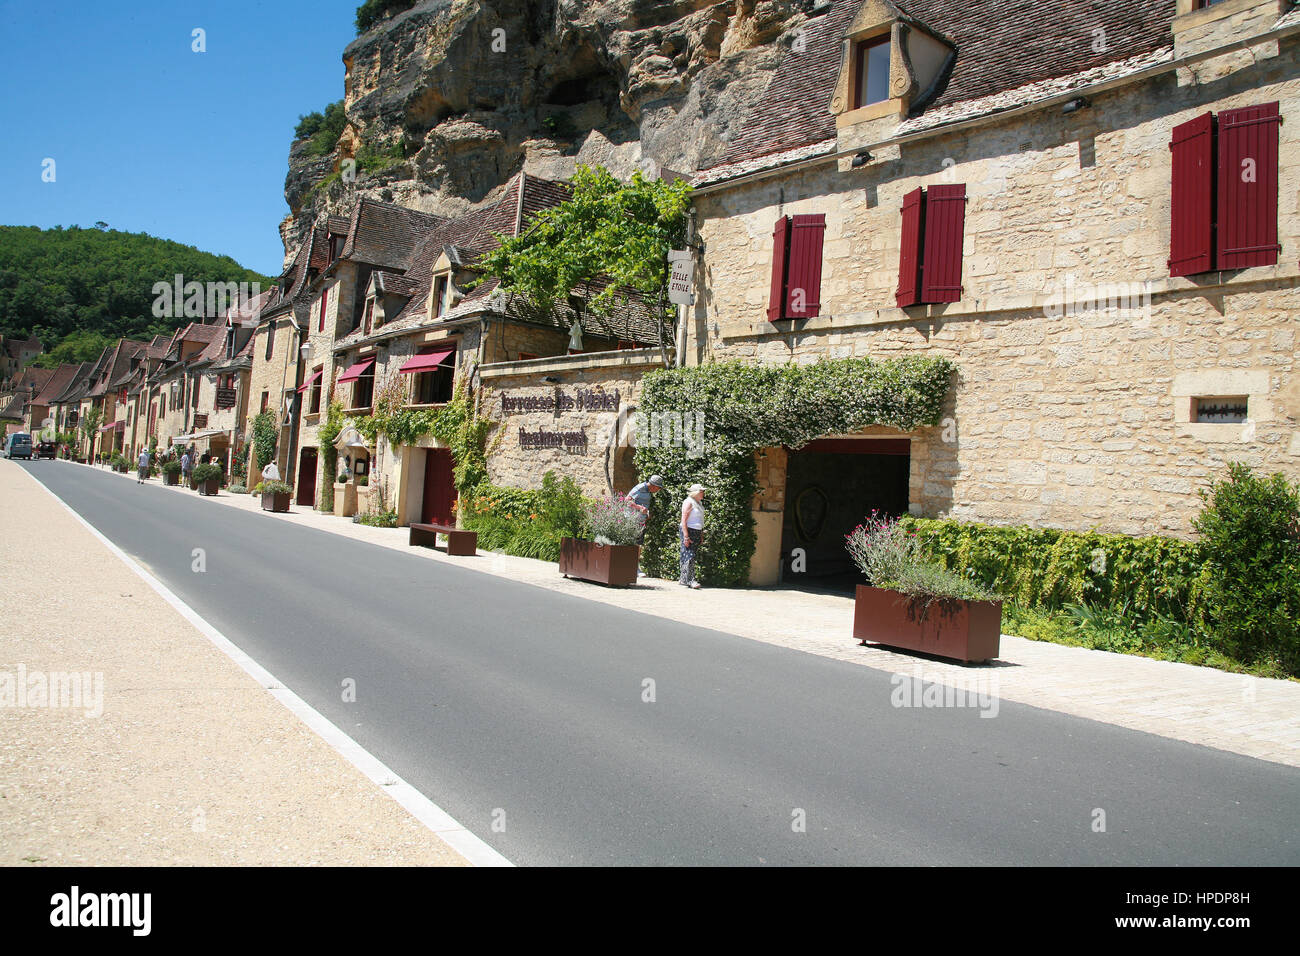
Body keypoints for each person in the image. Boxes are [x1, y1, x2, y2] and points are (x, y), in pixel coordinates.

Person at [679, 483, 706, 589]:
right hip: (688, 530)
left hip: (696, 531)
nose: (703, 493)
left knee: (691, 555)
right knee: (689, 555)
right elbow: (684, 519)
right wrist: (686, 536)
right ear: (695, 493)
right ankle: (690, 580)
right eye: (701, 491)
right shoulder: (688, 502)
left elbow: (700, 520)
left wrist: (701, 534)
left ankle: (684, 579)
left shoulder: (698, 503)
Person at [625, 474, 663, 547]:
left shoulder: (648, 491)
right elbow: (627, 500)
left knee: (638, 545)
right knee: (630, 545)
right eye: (659, 488)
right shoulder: (640, 488)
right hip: (632, 521)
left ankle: (635, 559)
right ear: (654, 486)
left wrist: (647, 514)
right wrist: (639, 507)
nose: (659, 490)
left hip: (641, 521)